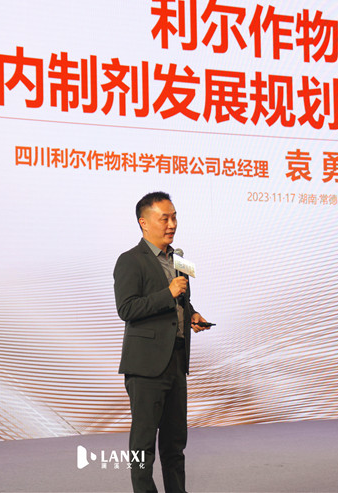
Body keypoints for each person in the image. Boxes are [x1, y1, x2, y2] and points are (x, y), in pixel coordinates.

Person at [113, 191, 212, 493]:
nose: (172, 224)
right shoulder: (130, 260)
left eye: (174, 217)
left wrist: (192, 315)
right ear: (144, 223)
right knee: (143, 445)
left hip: (177, 361)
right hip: (146, 366)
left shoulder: (179, 259)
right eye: (164, 218)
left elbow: (182, 301)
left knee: (175, 443)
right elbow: (127, 309)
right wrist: (167, 293)